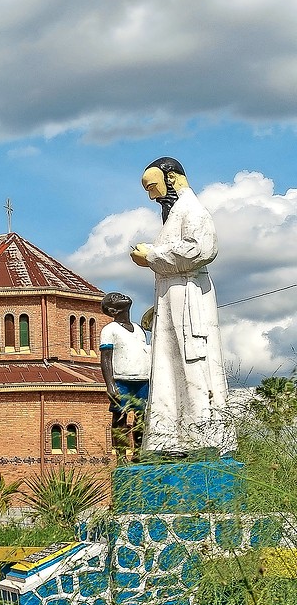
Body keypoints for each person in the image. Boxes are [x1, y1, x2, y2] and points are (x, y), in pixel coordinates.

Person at [129, 157, 233, 456]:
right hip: (171, 295)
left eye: (153, 187)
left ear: (171, 177)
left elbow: (201, 248)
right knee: (167, 366)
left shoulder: (193, 210)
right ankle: (170, 441)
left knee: (194, 364)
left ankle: (202, 439)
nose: (152, 196)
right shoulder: (176, 212)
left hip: (188, 294)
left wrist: (151, 254)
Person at [99, 292, 150, 447]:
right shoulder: (110, 330)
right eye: (115, 298)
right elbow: (106, 358)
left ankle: (138, 453)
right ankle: (121, 456)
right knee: (120, 415)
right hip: (122, 379)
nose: (122, 296)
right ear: (112, 310)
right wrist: (110, 384)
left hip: (142, 379)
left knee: (141, 417)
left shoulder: (139, 329)